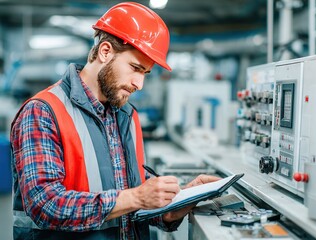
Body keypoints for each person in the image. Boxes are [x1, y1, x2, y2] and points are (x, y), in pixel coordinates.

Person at [10, 2, 220, 240]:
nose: (139, 84)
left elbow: (130, 202)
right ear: (105, 52)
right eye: (135, 68)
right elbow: (44, 204)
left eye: (145, 74)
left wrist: (175, 203)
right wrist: (136, 197)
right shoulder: (43, 111)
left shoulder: (126, 116)